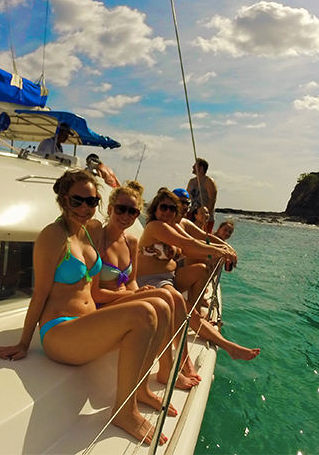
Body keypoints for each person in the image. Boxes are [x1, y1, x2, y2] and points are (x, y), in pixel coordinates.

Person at [0, 169, 171, 445]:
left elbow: (92, 291)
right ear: (64, 199)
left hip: (87, 324)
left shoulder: (88, 233)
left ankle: (138, 388)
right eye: (78, 201)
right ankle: (124, 411)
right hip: (60, 332)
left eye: (92, 202)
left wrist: (134, 295)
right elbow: (40, 292)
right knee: (145, 312)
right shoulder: (53, 236)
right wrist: (23, 342)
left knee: (162, 303)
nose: (85, 208)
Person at [88, 181, 200, 397]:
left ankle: (168, 369)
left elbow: (131, 282)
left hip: (122, 299)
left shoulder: (131, 241)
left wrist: (138, 291)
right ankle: (168, 370)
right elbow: (95, 293)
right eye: (121, 209)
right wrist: (135, 294)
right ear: (110, 209)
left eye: (133, 211)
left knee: (170, 298)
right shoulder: (97, 238)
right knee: (162, 299)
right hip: (102, 303)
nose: (126, 215)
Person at [138, 188, 260, 362]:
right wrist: (221, 251)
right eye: (163, 207)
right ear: (155, 209)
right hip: (151, 280)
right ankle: (229, 347)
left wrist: (226, 248)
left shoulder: (173, 226)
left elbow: (200, 238)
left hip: (170, 277)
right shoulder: (155, 226)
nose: (168, 212)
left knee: (200, 270)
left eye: (172, 208)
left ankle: (193, 314)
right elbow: (187, 244)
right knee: (182, 306)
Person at [187, 158, 217, 233]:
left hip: (205, 217)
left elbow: (212, 200)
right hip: (193, 214)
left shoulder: (208, 181)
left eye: (195, 165)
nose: (192, 167)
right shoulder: (191, 181)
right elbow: (187, 197)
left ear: (201, 168)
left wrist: (205, 216)